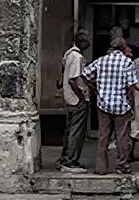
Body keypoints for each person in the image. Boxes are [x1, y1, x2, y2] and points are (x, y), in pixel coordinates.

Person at [82, 38, 139, 175]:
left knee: (103, 137)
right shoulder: (127, 62)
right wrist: (132, 102)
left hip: (103, 104)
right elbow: (132, 85)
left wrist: (95, 88)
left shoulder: (101, 60)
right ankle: (122, 165)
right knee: (122, 137)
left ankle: (101, 168)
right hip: (122, 105)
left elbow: (85, 74)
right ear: (123, 48)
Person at [58, 30, 91, 173]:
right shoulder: (76, 57)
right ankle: (70, 161)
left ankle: (65, 158)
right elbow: (73, 80)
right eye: (87, 40)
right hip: (76, 99)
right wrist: (82, 98)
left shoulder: (68, 55)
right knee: (76, 131)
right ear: (82, 42)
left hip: (69, 97)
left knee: (70, 129)